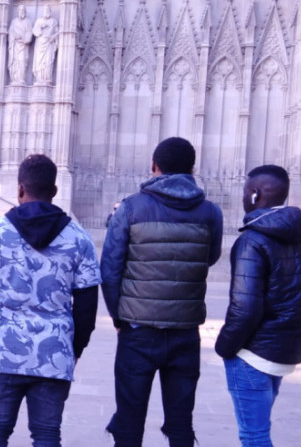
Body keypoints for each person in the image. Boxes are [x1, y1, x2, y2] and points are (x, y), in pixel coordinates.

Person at [100, 137, 224, 447]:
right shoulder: (210, 212)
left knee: (129, 420)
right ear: (192, 169)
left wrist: (119, 316)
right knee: (181, 422)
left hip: (138, 332)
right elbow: (209, 257)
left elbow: (110, 269)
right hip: (185, 332)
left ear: (154, 167)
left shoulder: (130, 208)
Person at [0, 154, 101, 447]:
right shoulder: (78, 239)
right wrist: (74, 347)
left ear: (19, 189)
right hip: (54, 353)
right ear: (54, 191)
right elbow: (86, 303)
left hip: (3, 350)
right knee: (46, 435)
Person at [215, 165, 301, 447]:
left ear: (255, 194)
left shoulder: (252, 241)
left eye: (246, 191)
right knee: (260, 428)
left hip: (253, 353)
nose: (243, 196)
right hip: (284, 350)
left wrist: (224, 347)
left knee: (254, 435)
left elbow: (245, 308)